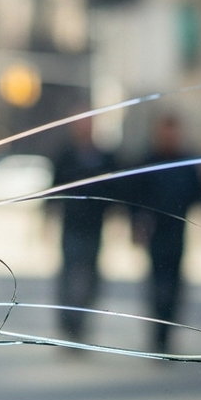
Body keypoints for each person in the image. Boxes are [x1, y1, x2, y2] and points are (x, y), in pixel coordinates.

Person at [128, 115, 201, 353]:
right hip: (155, 231)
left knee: (174, 286)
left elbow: (199, 194)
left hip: (177, 232)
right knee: (157, 286)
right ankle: (157, 334)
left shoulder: (186, 161)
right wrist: (136, 225)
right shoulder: (149, 160)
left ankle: (167, 334)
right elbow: (135, 197)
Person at [50, 112, 116, 342]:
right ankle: (68, 326)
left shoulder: (104, 157)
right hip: (71, 227)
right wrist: (46, 219)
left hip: (94, 228)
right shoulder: (66, 155)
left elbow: (113, 193)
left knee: (90, 278)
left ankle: (81, 325)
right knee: (69, 276)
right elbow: (53, 190)